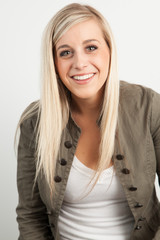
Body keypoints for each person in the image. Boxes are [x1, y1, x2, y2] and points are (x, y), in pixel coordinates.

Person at [16, 3, 160, 240]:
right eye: (65, 52)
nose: (80, 63)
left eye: (91, 47)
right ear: (53, 62)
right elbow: (31, 216)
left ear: (110, 50)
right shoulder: (35, 122)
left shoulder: (149, 107)